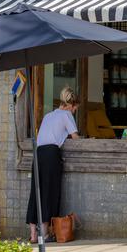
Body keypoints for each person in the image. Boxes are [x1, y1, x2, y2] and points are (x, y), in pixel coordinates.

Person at [27, 86, 80, 243]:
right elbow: (75, 138)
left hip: (38, 154)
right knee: (49, 192)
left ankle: (33, 234)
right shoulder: (66, 115)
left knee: (36, 191)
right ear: (71, 105)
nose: (75, 111)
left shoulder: (48, 115)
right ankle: (45, 234)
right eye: (75, 108)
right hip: (51, 154)